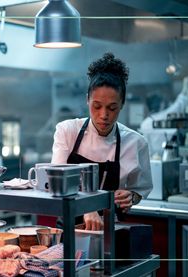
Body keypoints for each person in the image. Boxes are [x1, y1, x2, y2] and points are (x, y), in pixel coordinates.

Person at [52, 53, 152, 230]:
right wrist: (86, 206)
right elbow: (57, 181)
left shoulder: (136, 143)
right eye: (96, 106)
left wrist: (131, 196)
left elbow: (139, 190)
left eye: (112, 108)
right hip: (67, 229)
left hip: (110, 231)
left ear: (122, 104)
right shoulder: (67, 131)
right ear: (87, 100)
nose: (104, 115)